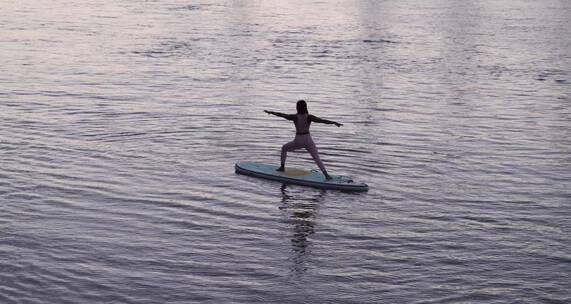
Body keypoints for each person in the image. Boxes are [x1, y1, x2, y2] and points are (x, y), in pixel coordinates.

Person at [264, 100, 342, 180]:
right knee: (316, 158)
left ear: (297, 107)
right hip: (308, 139)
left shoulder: (295, 117)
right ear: (305, 107)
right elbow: (322, 121)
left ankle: (282, 167)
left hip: (298, 140)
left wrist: (271, 112)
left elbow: (282, 115)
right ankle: (326, 175)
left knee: (284, 148)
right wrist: (334, 122)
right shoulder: (309, 117)